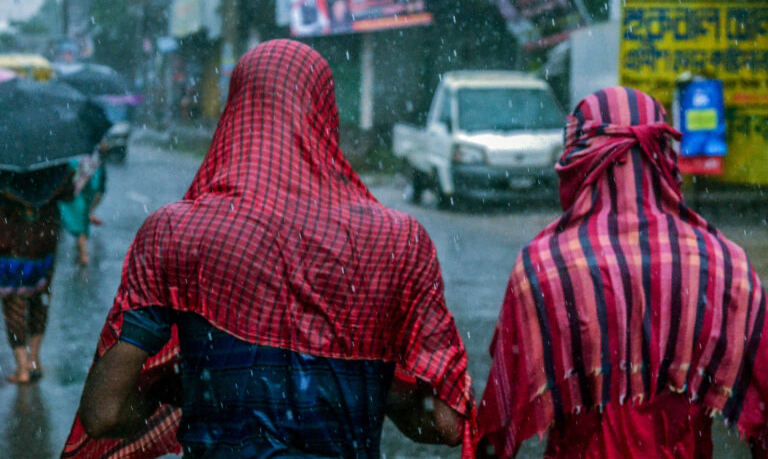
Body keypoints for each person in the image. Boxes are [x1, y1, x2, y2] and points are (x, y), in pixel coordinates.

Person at [64, 40, 474, 458]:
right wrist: (363, 385)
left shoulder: (175, 232)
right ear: (325, 114)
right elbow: (446, 422)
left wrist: (183, 394)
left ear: (236, 112)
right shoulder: (398, 240)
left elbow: (103, 413)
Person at [476, 87, 768, 458]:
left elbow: (497, 425)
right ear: (664, 155)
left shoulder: (543, 268)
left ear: (578, 158)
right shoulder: (726, 266)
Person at [0, 165, 73, 383]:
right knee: (40, 299)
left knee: (14, 303)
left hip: (11, 245)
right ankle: (34, 359)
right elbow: (69, 194)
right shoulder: (56, 165)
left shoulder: (6, 165)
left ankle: (22, 367)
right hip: (44, 242)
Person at [58, 152, 105, 266]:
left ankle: (83, 253)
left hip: (75, 195)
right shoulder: (92, 160)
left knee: (80, 224)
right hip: (80, 196)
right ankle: (83, 253)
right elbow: (97, 185)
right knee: (81, 225)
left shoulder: (71, 159)